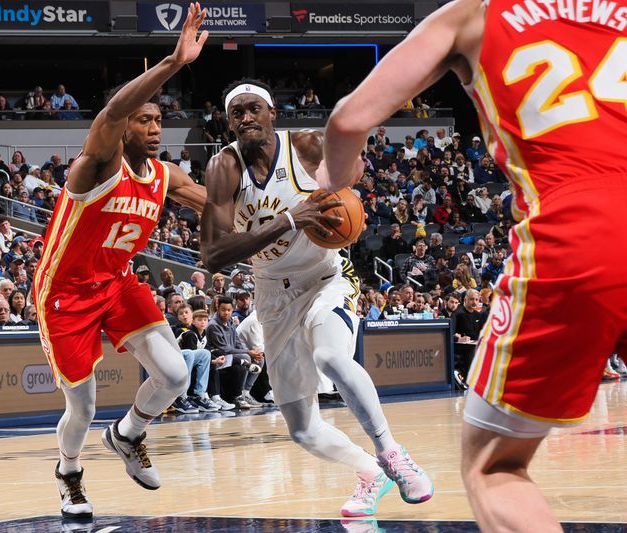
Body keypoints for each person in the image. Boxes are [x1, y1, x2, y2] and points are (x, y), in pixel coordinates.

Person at [320, 0, 627, 530]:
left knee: (495, 465)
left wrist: (334, 180)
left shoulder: (473, 15)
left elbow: (349, 119)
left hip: (584, 230)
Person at [200, 78, 433, 517]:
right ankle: (370, 473)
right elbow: (212, 254)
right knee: (304, 430)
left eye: (255, 109)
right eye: (237, 113)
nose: (246, 118)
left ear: (273, 114)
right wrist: (290, 218)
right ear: (227, 121)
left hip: (326, 276)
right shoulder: (224, 168)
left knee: (330, 357)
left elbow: (352, 169)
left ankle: (391, 453)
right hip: (272, 294)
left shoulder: (305, 146)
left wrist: (345, 185)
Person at [32, 5, 209, 520]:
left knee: (174, 375)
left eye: (159, 119)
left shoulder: (164, 175)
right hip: (64, 292)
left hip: (116, 283)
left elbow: (215, 204)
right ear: (126, 124)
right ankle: (68, 471)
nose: (154, 127)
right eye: (144, 119)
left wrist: (290, 210)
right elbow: (109, 114)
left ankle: (129, 433)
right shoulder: (96, 164)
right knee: (81, 407)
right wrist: (174, 62)